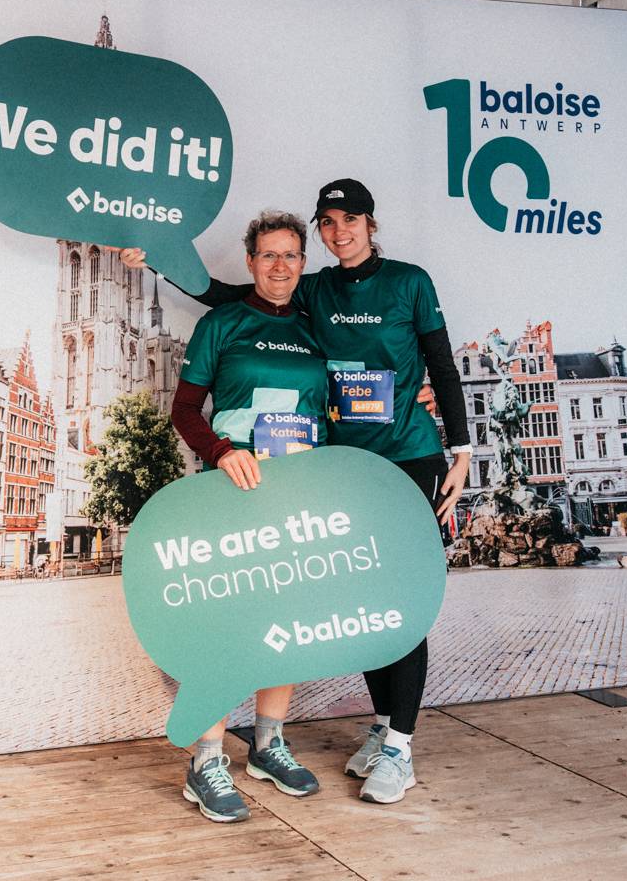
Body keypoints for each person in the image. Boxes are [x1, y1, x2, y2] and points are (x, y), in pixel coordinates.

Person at [121, 178, 472, 806]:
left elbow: (428, 366)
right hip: (278, 477)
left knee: (355, 602)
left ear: (367, 225)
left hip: (361, 469)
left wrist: (454, 439)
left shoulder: (372, 293)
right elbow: (217, 307)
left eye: (348, 221)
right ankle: (223, 754)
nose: (283, 265)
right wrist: (154, 259)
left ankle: (355, 744)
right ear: (255, 259)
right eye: (326, 223)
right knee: (256, 610)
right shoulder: (276, 305)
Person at [168, 209, 326, 823]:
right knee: (224, 625)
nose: (280, 265)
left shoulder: (317, 329)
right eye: (268, 255)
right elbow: (185, 410)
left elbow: (345, 405)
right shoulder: (222, 323)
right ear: (251, 262)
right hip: (231, 491)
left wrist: (413, 392)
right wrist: (221, 451)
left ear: (303, 263)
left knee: (286, 619)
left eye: (290, 255)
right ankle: (207, 759)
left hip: (295, 493)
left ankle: (267, 745)